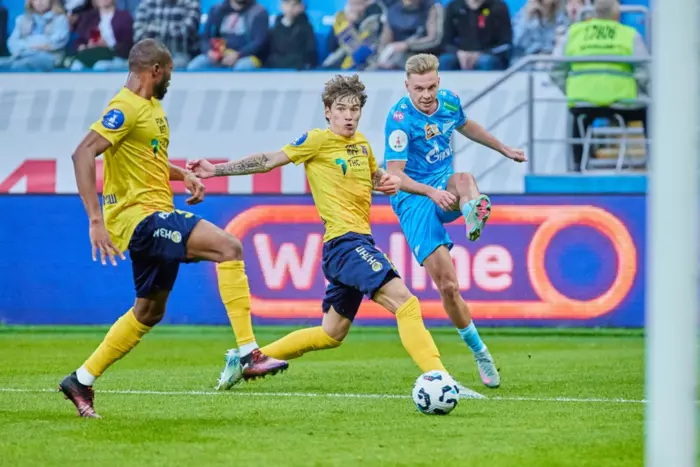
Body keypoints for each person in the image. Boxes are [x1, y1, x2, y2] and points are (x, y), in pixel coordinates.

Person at [58, 39, 288, 419]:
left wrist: (182, 174)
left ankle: (80, 380)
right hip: (140, 219)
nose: (170, 80)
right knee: (229, 247)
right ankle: (249, 353)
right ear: (156, 70)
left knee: (149, 311)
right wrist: (95, 220)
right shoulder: (124, 107)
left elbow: (145, 159)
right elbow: (82, 152)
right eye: (169, 73)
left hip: (155, 212)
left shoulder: (150, 107)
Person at [188, 74, 461, 393]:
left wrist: (383, 182)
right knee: (406, 303)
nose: (349, 116)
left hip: (355, 243)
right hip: (345, 243)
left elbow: (373, 176)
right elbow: (269, 160)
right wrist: (216, 170)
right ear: (328, 112)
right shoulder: (316, 140)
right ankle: (440, 378)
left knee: (331, 334)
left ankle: (247, 360)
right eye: (341, 109)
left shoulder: (362, 145)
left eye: (354, 109)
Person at [384, 53, 526, 389]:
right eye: (419, 88)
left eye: (431, 86)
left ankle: (472, 211)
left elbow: (466, 125)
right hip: (414, 199)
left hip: (444, 185)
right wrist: (431, 193)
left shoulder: (448, 102)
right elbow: (395, 176)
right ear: (407, 86)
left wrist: (503, 149)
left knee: (464, 179)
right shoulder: (400, 120)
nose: (426, 94)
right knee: (448, 287)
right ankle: (480, 352)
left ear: (439, 82)